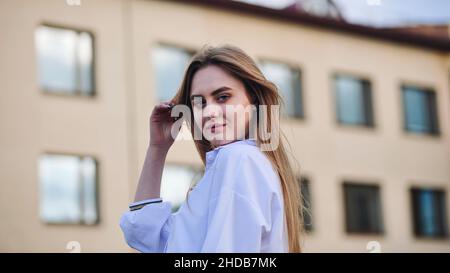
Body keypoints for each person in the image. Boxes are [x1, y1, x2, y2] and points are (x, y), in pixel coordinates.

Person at [119, 44, 304, 252]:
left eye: (223, 97)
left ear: (253, 99)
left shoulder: (240, 159)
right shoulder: (231, 167)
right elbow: (145, 235)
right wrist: (157, 148)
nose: (209, 112)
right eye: (199, 103)